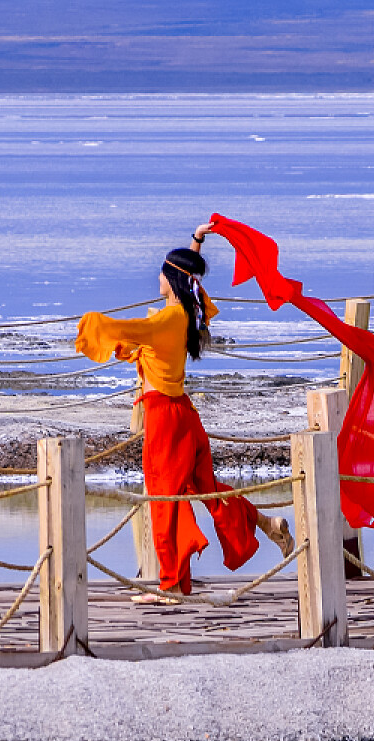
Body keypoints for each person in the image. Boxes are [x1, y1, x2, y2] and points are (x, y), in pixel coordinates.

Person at [76, 224, 293, 599]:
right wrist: (197, 241)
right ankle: (266, 523)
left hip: (164, 418)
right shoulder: (189, 314)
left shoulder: (166, 321)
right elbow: (194, 292)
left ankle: (171, 585)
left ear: (173, 279)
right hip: (184, 416)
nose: (157, 277)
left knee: (164, 502)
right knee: (204, 490)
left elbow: (122, 327)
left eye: (162, 272)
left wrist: (90, 324)